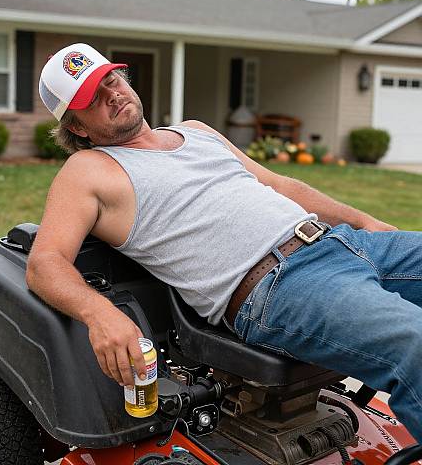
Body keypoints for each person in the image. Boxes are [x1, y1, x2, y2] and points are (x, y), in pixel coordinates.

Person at [27, 43, 422, 442]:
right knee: (415, 346)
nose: (112, 95)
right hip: (282, 287)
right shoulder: (88, 171)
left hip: (342, 243)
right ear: (77, 127)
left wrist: (369, 223)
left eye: (110, 80)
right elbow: (45, 262)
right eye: (92, 99)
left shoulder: (196, 131)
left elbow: (282, 185)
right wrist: (100, 314)